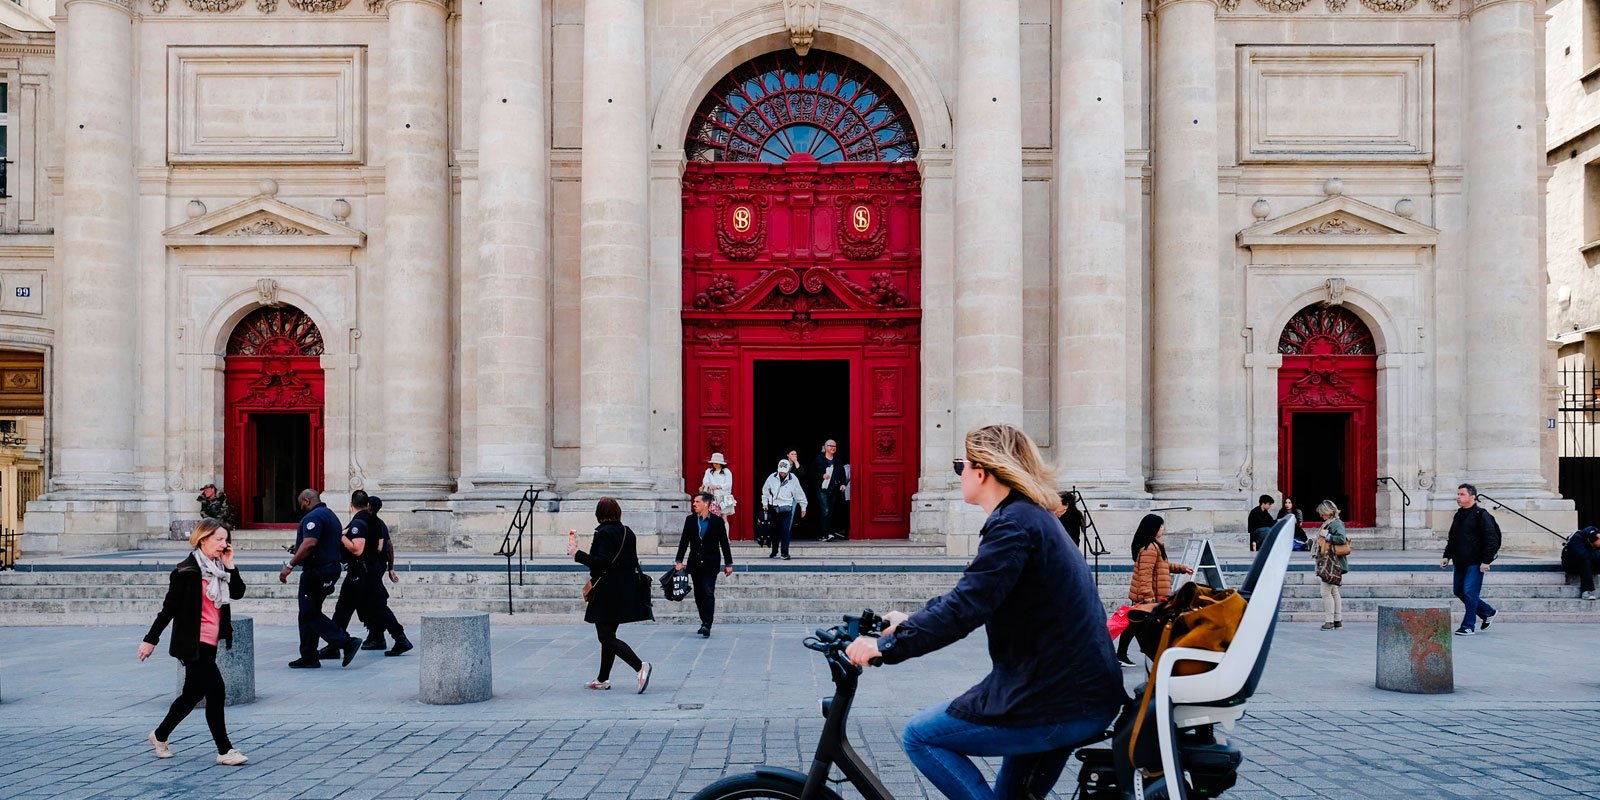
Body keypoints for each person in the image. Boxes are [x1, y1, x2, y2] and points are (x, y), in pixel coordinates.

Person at [843, 424, 1124, 800]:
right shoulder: (1028, 518)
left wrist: (886, 648)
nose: (959, 473)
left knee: (921, 736)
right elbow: (974, 594)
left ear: (983, 471)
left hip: (1055, 698)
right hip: (1070, 691)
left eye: (962, 465)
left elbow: (966, 606)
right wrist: (911, 623)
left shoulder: (1014, 525)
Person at [138, 519, 249, 766]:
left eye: (225, 539)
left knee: (191, 695)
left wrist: (230, 565)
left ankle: (159, 735)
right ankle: (225, 750)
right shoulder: (185, 572)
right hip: (191, 643)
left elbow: (239, 591)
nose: (224, 544)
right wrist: (150, 640)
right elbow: (168, 610)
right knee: (216, 691)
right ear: (203, 539)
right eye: (218, 539)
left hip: (210, 642)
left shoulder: (221, 569)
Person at [568, 497, 652, 692]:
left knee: (605, 636)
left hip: (608, 591)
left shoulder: (604, 533)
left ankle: (640, 667)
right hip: (624, 588)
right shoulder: (627, 531)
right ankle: (602, 679)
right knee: (608, 634)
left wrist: (576, 553)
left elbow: (602, 562)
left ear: (600, 514)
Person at [325, 491, 411, 660]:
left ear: (351, 504)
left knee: (344, 608)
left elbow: (357, 549)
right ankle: (397, 638)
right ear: (368, 504)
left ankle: (334, 645)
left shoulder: (359, 522)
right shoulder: (376, 521)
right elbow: (384, 546)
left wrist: (341, 537)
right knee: (376, 607)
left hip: (360, 572)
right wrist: (389, 567)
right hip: (371, 571)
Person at [279, 489, 358, 668]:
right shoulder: (331, 515)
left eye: (301, 504)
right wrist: (298, 550)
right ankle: (309, 656)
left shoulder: (313, 517)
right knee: (308, 611)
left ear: (306, 500)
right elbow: (320, 543)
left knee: (309, 612)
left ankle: (345, 642)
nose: (301, 507)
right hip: (329, 568)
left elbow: (310, 543)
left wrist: (290, 566)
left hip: (317, 571)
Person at [1117, 513, 1194, 666]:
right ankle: (1144, 653)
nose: (1162, 529)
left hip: (1155, 592)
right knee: (1143, 625)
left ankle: (1122, 654)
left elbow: (1163, 566)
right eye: (1160, 526)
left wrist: (1181, 568)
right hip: (1152, 594)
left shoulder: (1154, 546)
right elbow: (1145, 574)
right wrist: (1148, 597)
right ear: (1153, 528)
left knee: (1135, 624)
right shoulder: (1150, 548)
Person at [1440, 483, 1500, 636]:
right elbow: (1453, 537)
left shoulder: (1482, 515)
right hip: (1460, 561)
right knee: (1459, 591)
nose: (1458, 497)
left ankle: (1468, 625)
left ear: (1472, 497)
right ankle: (1487, 612)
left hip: (1476, 562)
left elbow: (1491, 539)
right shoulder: (1459, 514)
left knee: (1469, 592)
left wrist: (1486, 561)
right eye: (1458, 494)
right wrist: (1447, 555)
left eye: (1462, 494)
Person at [676, 491, 735, 637]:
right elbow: (684, 541)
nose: (694, 504)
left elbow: (724, 544)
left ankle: (708, 624)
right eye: (694, 502)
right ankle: (703, 621)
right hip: (694, 562)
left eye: (697, 502)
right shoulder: (690, 520)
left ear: (706, 504)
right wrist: (679, 561)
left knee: (708, 591)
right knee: (698, 593)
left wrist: (728, 563)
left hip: (711, 562)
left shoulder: (717, 521)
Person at [760, 458, 808, 559]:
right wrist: (765, 502)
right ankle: (774, 551)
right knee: (774, 531)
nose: (782, 474)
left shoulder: (793, 479)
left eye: (784, 472)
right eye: (781, 472)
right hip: (774, 507)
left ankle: (784, 553)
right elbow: (765, 491)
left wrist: (803, 506)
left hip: (787, 508)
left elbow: (799, 493)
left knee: (785, 530)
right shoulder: (771, 477)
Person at [1313, 500, 1349, 630]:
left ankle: (1329, 621)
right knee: (1334, 591)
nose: (1321, 516)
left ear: (1328, 512)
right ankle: (1337, 620)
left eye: (1323, 514)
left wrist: (1327, 536)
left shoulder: (1336, 524)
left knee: (1325, 591)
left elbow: (1341, 538)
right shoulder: (1330, 523)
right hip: (1330, 561)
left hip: (1332, 563)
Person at [811, 439, 849, 541]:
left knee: (830, 511)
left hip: (834, 489)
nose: (833, 448)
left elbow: (842, 473)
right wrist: (822, 475)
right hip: (822, 489)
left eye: (835, 446)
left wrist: (843, 484)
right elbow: (812, 474)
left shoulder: (837, 460)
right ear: (826, 447)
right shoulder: (819, 459)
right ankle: (823, 534)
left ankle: (828, 532)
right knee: (826, 510)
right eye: (831, 446)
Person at [1562, 526, 1600, 601]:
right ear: (1590, 542)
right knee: (1584, 560)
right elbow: (1584, 555)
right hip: (1570, 565)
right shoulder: (1576, 539)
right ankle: (1586, 591)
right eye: (1596, 545)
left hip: (1588, 565)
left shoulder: (1594, 532)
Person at [700, 452, 736, 520]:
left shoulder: (726, 472)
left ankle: (725, 531)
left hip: (724, 497)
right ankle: (715, 531)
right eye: (714, 463)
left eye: (717, 463)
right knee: (712, 517)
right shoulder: (709, 471)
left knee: (724, 517)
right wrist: (709, 485)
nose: (715, 465)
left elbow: (728, 484)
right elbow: (705, 481)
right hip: (712, 496)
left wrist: (717, 486)